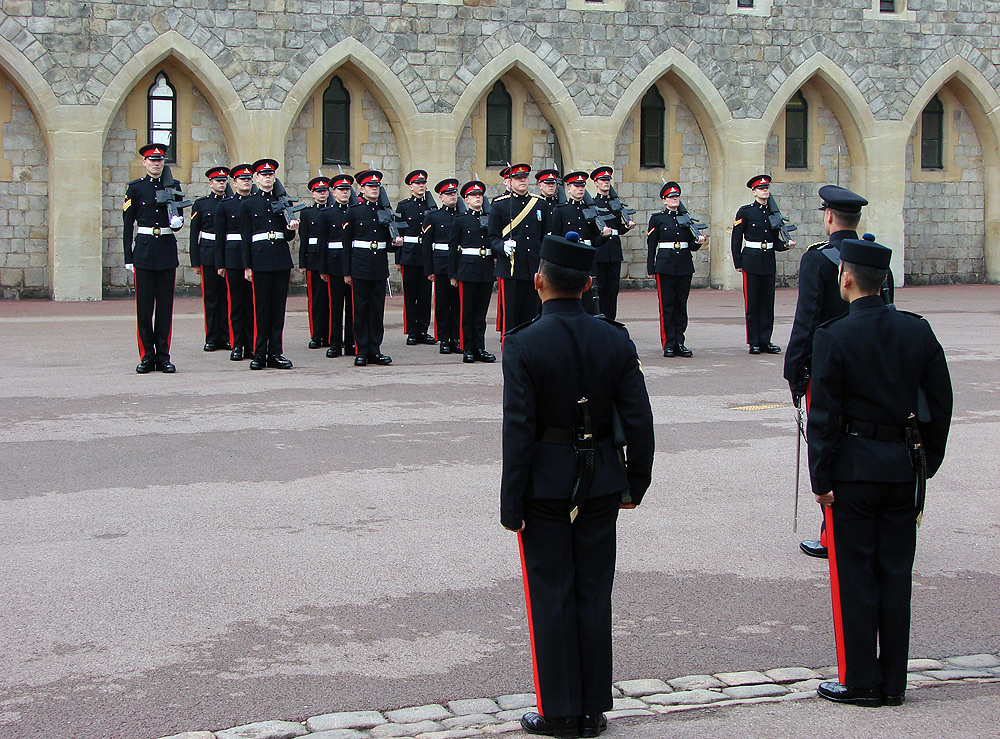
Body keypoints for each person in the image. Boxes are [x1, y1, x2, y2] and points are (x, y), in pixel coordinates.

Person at [501, 233, 655, 738]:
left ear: (538, 280)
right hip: (602, 482)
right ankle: (591, 709)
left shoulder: (522, 341)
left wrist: (511, 501)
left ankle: (558, 711)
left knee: (552, 595)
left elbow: (519, 428)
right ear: (589, 284)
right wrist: (635, 481)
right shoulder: (615, 337)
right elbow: (639, 418)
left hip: (545, 485)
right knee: (593, 591)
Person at [808, 238, 952, 708]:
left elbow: (824, 417)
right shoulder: (917, 330)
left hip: (853, 469)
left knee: (855, 577)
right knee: (895, 575)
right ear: (884, 281)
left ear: (846, 278)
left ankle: (861, 681)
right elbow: (941, 403)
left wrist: (821, 480)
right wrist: (926, 461)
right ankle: (894, 681)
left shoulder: (833, 335)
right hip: (902, 466)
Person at [784, 184, 868, 558]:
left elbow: (807, 320)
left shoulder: (817, 259)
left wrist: (795, 371)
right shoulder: (873, 257)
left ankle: (832, 533)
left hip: (829, 367)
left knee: (827, 444)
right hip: (870, 366)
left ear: (829, 216)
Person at [122, 144, 185, 374]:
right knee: (144, 307)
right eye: (152, 160)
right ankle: (147, 356)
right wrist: (128, 256)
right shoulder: (135, 189)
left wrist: (177, 221)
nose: (157, 164)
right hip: (145, 251)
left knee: (165, 308)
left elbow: (178, 216)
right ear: (144, 162)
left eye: (160, 160)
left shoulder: (173, 186)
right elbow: (128, 224)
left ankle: (163, 356)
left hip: (166, 250)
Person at [239, 158, 298, 370]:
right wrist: (247, 265)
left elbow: (288, 236)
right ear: (256, 178)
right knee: (261, 309)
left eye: (271, 174)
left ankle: (275, 352)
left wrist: (291, 228)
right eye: (264, 175)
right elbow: (245, 237)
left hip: (280, 258)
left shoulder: (283, 201)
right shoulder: (248, 203)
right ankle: (258, 353)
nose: (268, 178)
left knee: (277, 310)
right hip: (260, 258)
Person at [342, 169, 400, 366]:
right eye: (370, 186)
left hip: (378, 266)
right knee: (360, 310)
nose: (374, 189)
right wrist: (347, 271)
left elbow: (389, 243)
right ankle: (361, 350)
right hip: (360, 265)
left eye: (376, 186)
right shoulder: (354, 211)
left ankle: (375, 349)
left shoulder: (385, 212)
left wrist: (395, 242)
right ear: (361, 188)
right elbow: (346, 243)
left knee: (377, 310)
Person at [731, 174, 795, 354]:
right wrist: (738, 262)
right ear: (754, 192)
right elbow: (736, 239)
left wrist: (785, 245)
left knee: (767, 303)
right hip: (751, 260)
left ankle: (766, 340)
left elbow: (774, 240)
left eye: (766, 188)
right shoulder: (746, 211)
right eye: (760, 188)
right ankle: (754, 341)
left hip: (768, 261)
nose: (764, 191)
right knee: (753, 303)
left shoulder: (773, 213)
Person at [646, 181, 707, 358]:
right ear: (664, 200)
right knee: (667, 305)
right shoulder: (658, 219)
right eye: (671, 197)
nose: (674, 200)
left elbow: (691, 246)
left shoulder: (686, 218)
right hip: (665, 266)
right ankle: (668, 343)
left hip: (684, 265)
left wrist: (698, 242)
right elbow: (652, 245)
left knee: (681, 305)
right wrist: (651, 267)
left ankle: (680, 341)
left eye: (676, 197)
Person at [489, 163, 545, 338]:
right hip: (511, 268)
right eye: (518, 178)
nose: (522, 180)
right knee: (511, 316)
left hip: (532, 267)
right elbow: (492, 238)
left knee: (532, 315)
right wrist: (502, 246)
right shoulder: (500, 205)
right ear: (509, 181)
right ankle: (511, 351)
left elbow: (544, 236)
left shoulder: (539, 203)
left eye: (525, 177)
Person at [546, 170, 611, 316]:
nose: (580, 189)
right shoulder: (561, 211)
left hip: (587, 258)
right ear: (569, 188)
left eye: (582, 186)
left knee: (590, 298)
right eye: (576, 186)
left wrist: (604, 236)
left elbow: (595, 240)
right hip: (568, 259)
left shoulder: (590, 210)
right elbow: (556, 238)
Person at [448, 180, 496, 363]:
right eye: (474, 196)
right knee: (467, 312)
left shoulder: (490, 218)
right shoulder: (460, 220)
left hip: (485, 270)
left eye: (480, 196)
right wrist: (452, 274)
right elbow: (453, 249)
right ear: (466, 199)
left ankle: (479, 348)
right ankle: (468, 348)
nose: (478, 198)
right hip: (467, 270)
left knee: (481, 314)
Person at [213, 163, 255, 361]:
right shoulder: (225, 205)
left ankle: (253, 344)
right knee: (236, 303)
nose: (246, 181)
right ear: (234, 182)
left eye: (248, 178)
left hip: (255, 258)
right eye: (242, 179)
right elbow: (219, 236)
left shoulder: (258, 202)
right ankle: (237, 344)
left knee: (253, 304)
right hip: (233, 257)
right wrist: (220, 263)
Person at [189, 166, 231, 353]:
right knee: (211, 298)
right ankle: (212, 337)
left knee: (228, 298)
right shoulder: (202, 204)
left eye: (224, 181)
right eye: (217, 181)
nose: (221, 184)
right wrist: (195, 261)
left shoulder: (231, 202)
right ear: (210, 183)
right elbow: (194, 234)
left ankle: (227, 336)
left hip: (228, 254)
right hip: (207, 253)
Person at [395, 169, 437, 346]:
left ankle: (423, 329)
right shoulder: (404, 206)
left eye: (423, 183)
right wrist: (398, 258)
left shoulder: (431, 206)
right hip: (409, 253)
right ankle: (412, 330)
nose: (421, 186)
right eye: (418, 183)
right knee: (410, 294)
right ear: (411, 186)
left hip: (426, 254)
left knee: (425, 294)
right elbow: (398, 233)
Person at [422, 178, 463, 354]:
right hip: (441, 264)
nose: (452, 196)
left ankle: (456, 337)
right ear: (441, 197)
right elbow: (426, 246)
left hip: (460, 264)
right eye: (448, 194)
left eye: (454, 193)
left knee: (458, 303)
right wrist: (429, 270)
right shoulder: (433, 217)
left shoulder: (462, 216)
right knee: (442, 303)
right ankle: (444, 338)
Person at [591, 166, 635, 321]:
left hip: (614, 252)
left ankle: (611, 320)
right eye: (603, 180)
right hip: (601, 251)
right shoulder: (592, 203)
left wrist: (627, 226)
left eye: (608, 180)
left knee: (612, 290)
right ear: (596, 183)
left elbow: (618, 229)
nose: (606, 183)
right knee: (600, 290)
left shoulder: (615, 204)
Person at [322, 173, 356, 358]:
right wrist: (322, 268)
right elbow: (322, 243)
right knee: (335, 306)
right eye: (341, 190)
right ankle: (334, 343)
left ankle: (351, 343)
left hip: (352, 264)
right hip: (334, 264)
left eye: (347, 190)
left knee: (352, 306)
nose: (345, 193)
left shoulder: (355, 211)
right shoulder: (327, 214)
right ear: (333, 192)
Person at [299, 176, 333, 350]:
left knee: (331, 300)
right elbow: (303, 239)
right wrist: (302, 263)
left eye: (325, 191)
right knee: (316, 300)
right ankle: (316, 335)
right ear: (312, 194)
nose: (322, 194)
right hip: (313, 259)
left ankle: (329, 336)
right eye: (318, 191)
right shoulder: (307, 213)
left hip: (330, 258)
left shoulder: (334, 211)